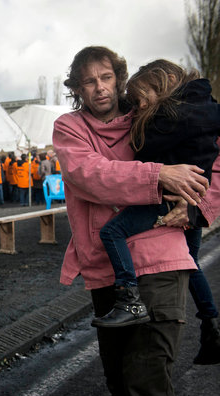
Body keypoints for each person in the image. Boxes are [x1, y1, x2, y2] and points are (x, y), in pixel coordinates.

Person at [53, 46, 219, 396]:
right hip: (104, 269)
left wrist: (199, 204)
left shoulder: (150, 109)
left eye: (106, 77)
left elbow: (213, 147)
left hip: (160, 260)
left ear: (119, 78)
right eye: (89, 81)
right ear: (77, 88)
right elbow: (88, 175)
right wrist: (157, 174)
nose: (99, 88)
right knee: (121, 389)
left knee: (146, 391)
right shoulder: (69, 127)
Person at [93, 59, 220, 330]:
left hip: (170, 199)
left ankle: (129, 299)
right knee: (192, 263)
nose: (139, 107)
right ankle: (211, 325)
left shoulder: (167, 120)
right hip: (192, 199)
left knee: (111, 232)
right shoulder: (206, 108)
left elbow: (145, 155)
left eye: (141, 100)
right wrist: (199, 205)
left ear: (163, 84)